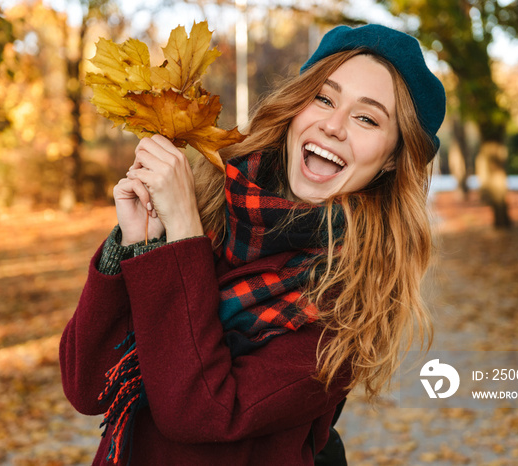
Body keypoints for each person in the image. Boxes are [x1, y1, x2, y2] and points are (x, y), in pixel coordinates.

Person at [60, 23, 446, 465]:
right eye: (323, 98)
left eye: (367, 118)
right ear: (295, 107)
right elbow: (87, 386)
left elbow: (200, 413)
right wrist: (132, 245)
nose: (333, 126)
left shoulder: (350, 299)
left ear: (394, 157)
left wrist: (180, 239)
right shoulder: (210, 200)